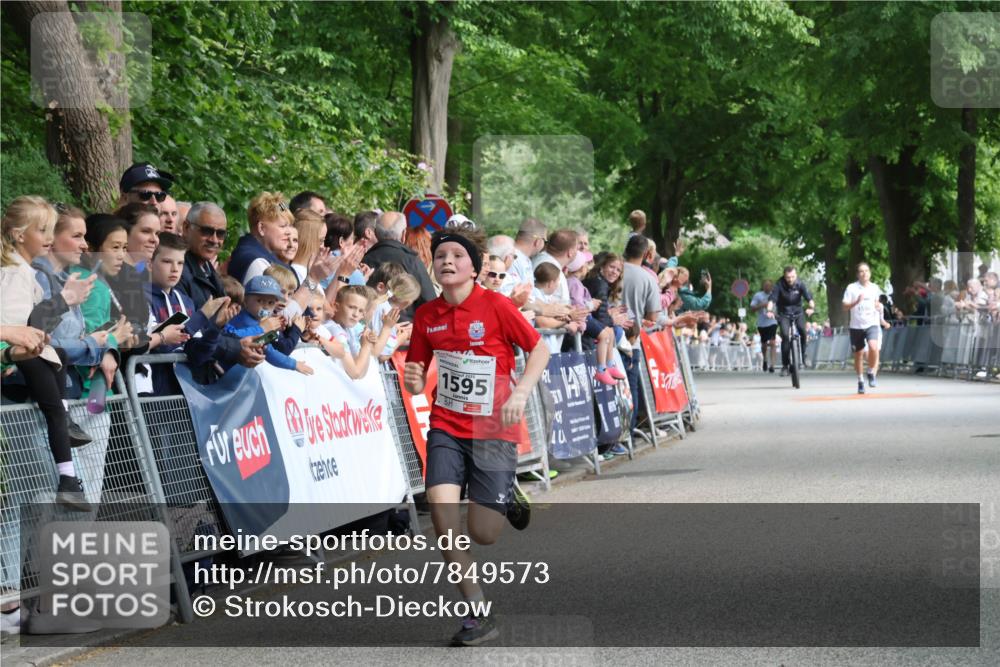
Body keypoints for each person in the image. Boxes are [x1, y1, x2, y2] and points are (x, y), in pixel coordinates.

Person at [403, 225, 549, 646]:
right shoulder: (427, 316)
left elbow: (538, 349)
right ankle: (477, 614)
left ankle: (505, 494)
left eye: (457, 256)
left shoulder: (498, 306)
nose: (447, 261)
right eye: (441, 255)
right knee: (445, 524)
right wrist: (414, 380)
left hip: (493, 430)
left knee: (484, 533)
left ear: (474, 266)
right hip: (447, 426)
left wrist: (521, 391)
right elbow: (414, 381)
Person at [0, 196, 93, 510]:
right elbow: (13, 323)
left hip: (23, 351)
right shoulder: (15, 272)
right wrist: (11, 353)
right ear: (18, 234)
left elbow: (29, 321)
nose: (50, 239)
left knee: (59, 360)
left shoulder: (20, 269)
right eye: (43, 230)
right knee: (53, 409)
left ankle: (65, 430)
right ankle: (68, 480)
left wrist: (44, 323)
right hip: (16, 354)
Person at [177, 202, 266, 377]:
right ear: (186, 228)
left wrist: (244, 343)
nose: (214, 240)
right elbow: (190, 334)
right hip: (185, 380)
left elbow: (220, 328)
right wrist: (236, 348)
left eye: (221, 234)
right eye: (207, 231)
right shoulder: (177, 271)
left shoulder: (210, 272)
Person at [222, 275, 312, 375]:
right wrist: (261, 329)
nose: (265, 306)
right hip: (217, 367)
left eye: (270, 303)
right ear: (245, 301)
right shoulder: (235, 314)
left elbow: (270, 352)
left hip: (234, 375)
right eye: (259, 301)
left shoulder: (267, 324)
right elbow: (226, 337)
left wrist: (294, 364)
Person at [362, 211, 436, 308]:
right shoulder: (412, 261)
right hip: (406, 322)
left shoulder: (364, 260)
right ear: (404, 234)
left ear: (375, 233)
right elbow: (430, 301)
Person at [325, 285, 396, 378]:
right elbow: (356, 373)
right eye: (351, 307)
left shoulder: (352, 327)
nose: (355, 314)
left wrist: (369, 343)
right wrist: (366, 347)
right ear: (336, 306)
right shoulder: (335, 331)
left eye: (360, 311)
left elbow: (362, 374)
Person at [227, 192, 293, 284]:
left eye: (289, 226)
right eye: (283, 226)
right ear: (261, 228)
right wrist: (312, 279)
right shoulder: (257, 263)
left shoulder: (261, 255)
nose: (289, 232)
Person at [842, 262, 884, 394]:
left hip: (871, 323)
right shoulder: (851, 288)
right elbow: (844, 307)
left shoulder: (875, 288)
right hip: (856, 326)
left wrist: (878, 306)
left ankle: (871, 371)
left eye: (866, 271)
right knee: (858, 355)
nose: (864, 273)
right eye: (861, 271)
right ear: (857, 274)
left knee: (873, 347)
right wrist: (856, 302)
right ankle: (860, 381)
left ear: (870, 273)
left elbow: (878, 302)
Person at [766, 265, 815, 376]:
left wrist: (811, 308)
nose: (791, 279)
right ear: (784, 276)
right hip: (784, 314)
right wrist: (769, 310)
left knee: (803, 331)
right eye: (788, 277)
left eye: (792, 277)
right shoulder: (779, 285)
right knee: (785, 335)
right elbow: (772, 299)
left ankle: (804, 354)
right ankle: (785, 366)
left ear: (796, 275)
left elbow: (809, 298)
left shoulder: (800, 284)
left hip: (798, 313)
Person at [750, 279, 778, 373]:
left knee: (773, 342)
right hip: (762, 323)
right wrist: (762, 305)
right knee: (764, 344)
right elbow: (752, 308)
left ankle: (772, 365)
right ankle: (765, 360)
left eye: (769, 286)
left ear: (772, 286)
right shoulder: (758, 295)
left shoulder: (774, 295)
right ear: (763, 286)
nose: (767, 287)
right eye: (765, 285)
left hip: (772, 321)